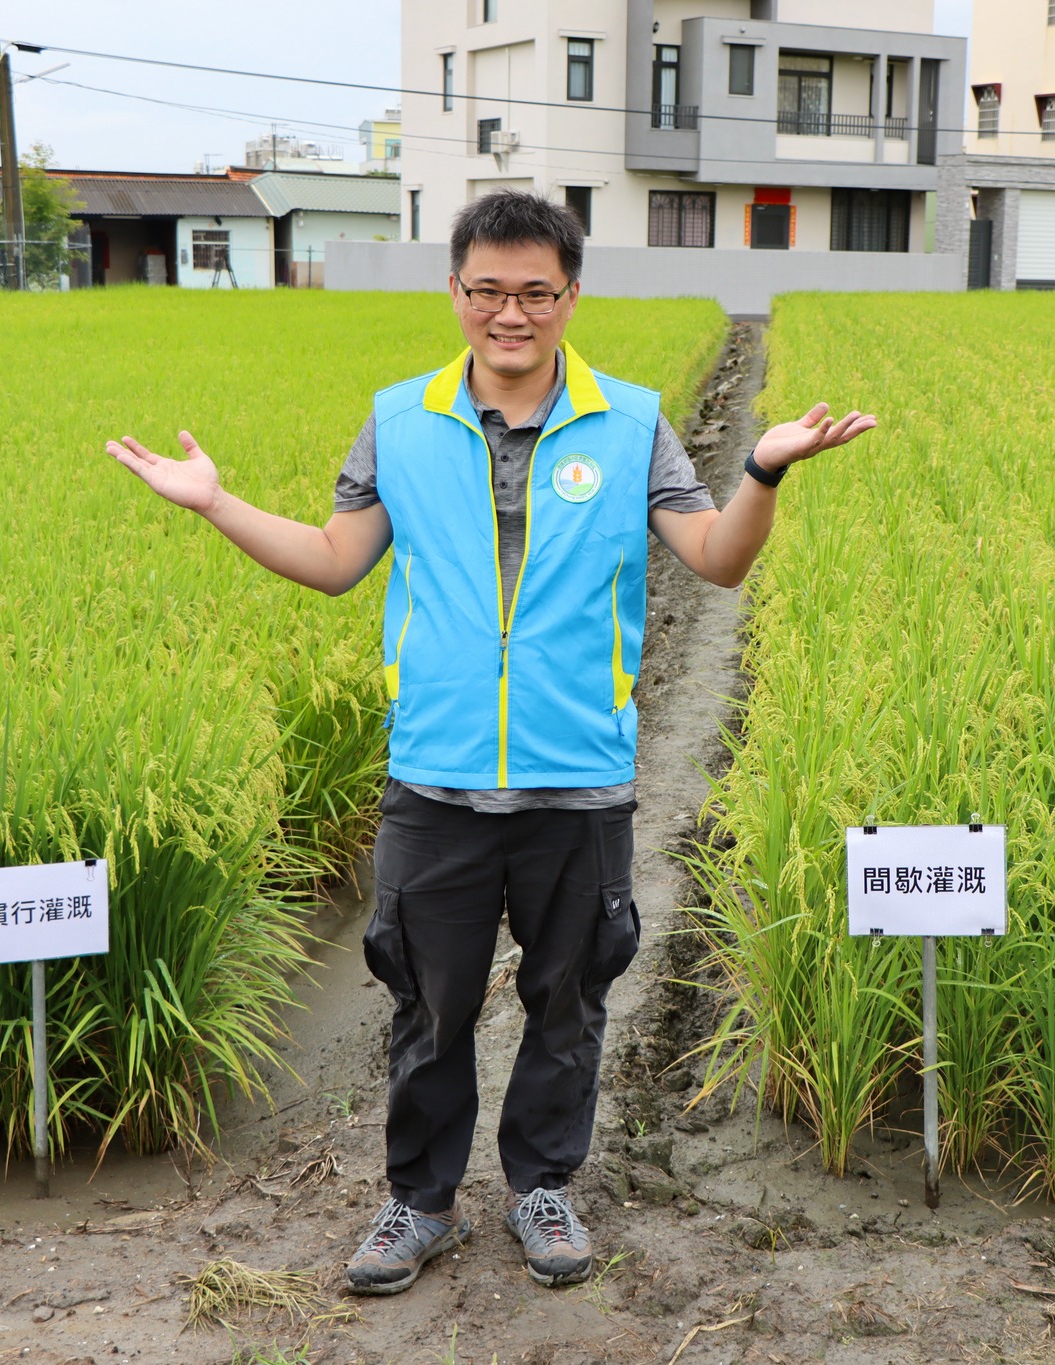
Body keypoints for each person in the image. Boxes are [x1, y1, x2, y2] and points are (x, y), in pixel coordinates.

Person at [104, 189, 875, 1296]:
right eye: (487, 291)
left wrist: (759, 470)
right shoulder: (399, 420)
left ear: (569, 296)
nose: (509, 314)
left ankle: (540, 1188)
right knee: (428, 1005)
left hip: (578, 778)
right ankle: (417, 1203)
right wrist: (216, 505)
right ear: (455, 291)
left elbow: (714, 559)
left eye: (533, 293)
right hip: (438, 774)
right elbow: (333, 559)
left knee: (567, 1003)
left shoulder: (629, 421)